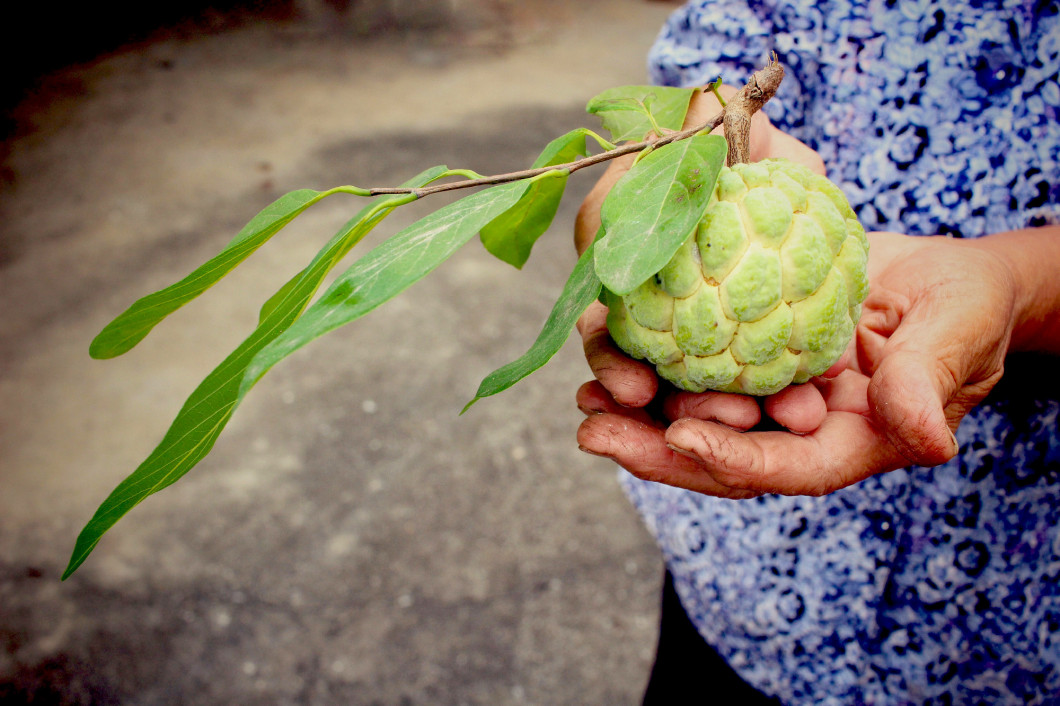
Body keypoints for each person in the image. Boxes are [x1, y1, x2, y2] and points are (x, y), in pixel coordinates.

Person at [574, 1, 1060, 703]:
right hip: (743, 585)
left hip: (1000, 636)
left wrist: (1018, 287)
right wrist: (661, 164)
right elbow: (710, 54)